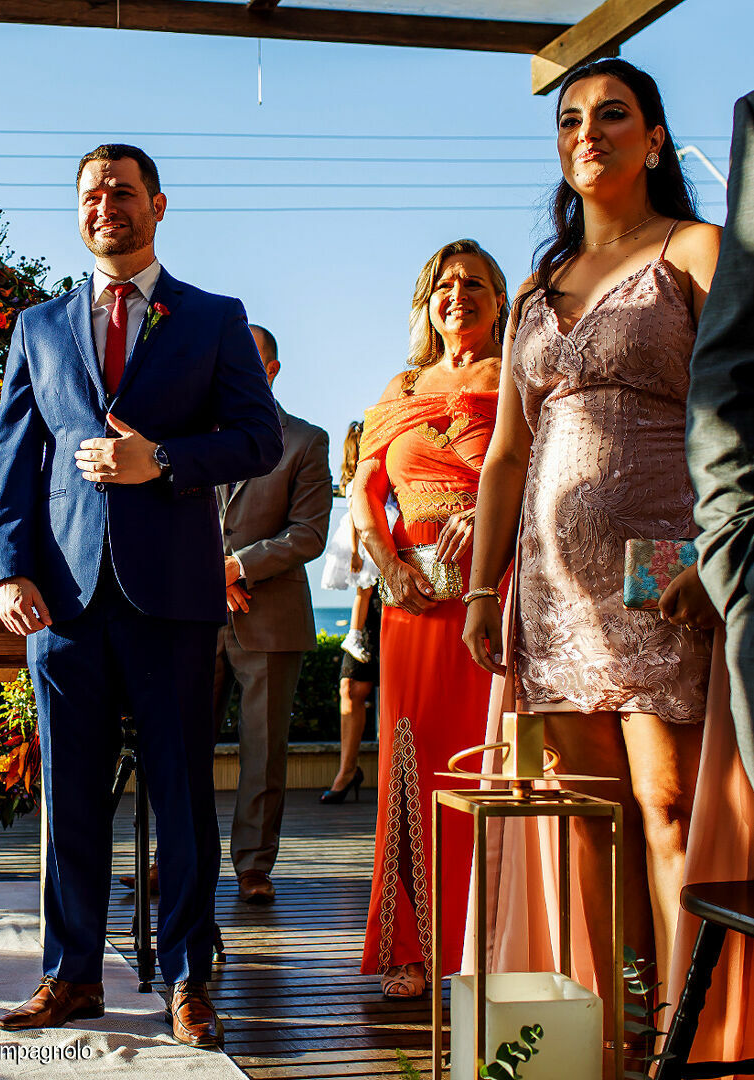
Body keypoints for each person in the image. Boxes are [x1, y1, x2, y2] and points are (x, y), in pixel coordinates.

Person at [0, 144, 281, 1048]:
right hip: (61, 598)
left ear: (157, 205)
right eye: (90, 193)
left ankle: (190, 980)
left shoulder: (214, 318)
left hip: (172, 597)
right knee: (68, 797)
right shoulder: (37, 325)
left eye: (121, 190)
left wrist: (162, 460)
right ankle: (71, 975)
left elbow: (258, 440)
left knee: (182, 797)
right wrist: (9, 568)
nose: (104, 204)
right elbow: (12, 456)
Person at [461, 58, 721, 1001]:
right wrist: (481, 586)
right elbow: (504, 454)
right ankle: (617, 1020)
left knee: (666, 805)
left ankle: (683, 1029)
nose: (586, 133)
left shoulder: (696, 250)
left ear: (653, 139)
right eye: (569, 119)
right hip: (550, 592)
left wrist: (717, 554)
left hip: (664, 563)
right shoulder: (539, 284)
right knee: (588, 819)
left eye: (611, 115)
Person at [352, 238, 508, 999]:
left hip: (495, 597)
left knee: (491, 766)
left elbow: (544, 472)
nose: (458, 295)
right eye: (444, 285)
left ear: (499, 300)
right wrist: (388, 566)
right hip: (411, 604)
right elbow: (362, 489)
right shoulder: (403, 385)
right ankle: (407, 946)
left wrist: (487, 513)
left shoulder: (517, 373)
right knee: (407, 770)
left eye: (474, 283)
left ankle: (493, 941)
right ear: (426, 304)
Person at [668, 89, 754, 1074]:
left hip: (673, 545)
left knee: (667, 802)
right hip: (591, 573)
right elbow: (726, 372)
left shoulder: (685, 244)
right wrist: (727, 544)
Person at [215, 325, 332, 903]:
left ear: (271, 370)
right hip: (195, 614)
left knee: (263, 753)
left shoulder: (306, 440)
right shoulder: (192, 438)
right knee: (178, 748)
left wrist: (238, 568)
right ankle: (174, 861)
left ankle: (254, 868)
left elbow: (309, 533)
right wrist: (210, 575)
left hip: (271, 616)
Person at [319, 421, 381, 805]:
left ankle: (398, 775)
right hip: (371, 600)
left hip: (393, 598)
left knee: (391, 690)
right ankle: (348, 770)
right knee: (350, 686)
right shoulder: (358, 491)